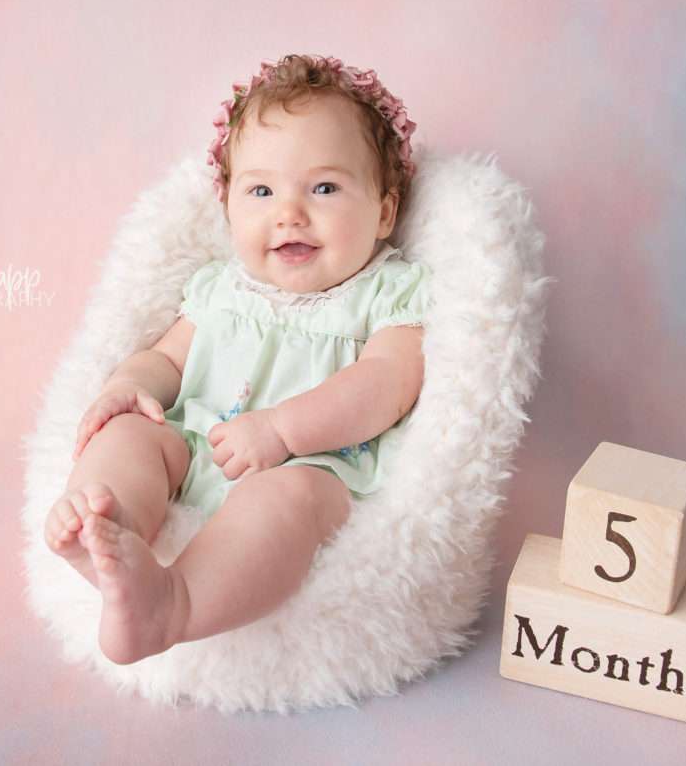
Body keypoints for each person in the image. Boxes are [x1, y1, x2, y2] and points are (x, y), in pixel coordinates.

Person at [43, 54, 431, 665]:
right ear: (229, 207)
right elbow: (167, 361)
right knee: (133, 435)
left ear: (384, 210)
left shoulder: (388, 291)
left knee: (284, 503)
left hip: (314, 464)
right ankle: (106, 527)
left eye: (324, 187)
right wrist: (125, 386)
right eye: (261, 190)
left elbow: (389, 382)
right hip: (200, 441)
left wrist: (282, 431)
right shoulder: (219, 286)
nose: (289, 212)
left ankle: (173, 604)